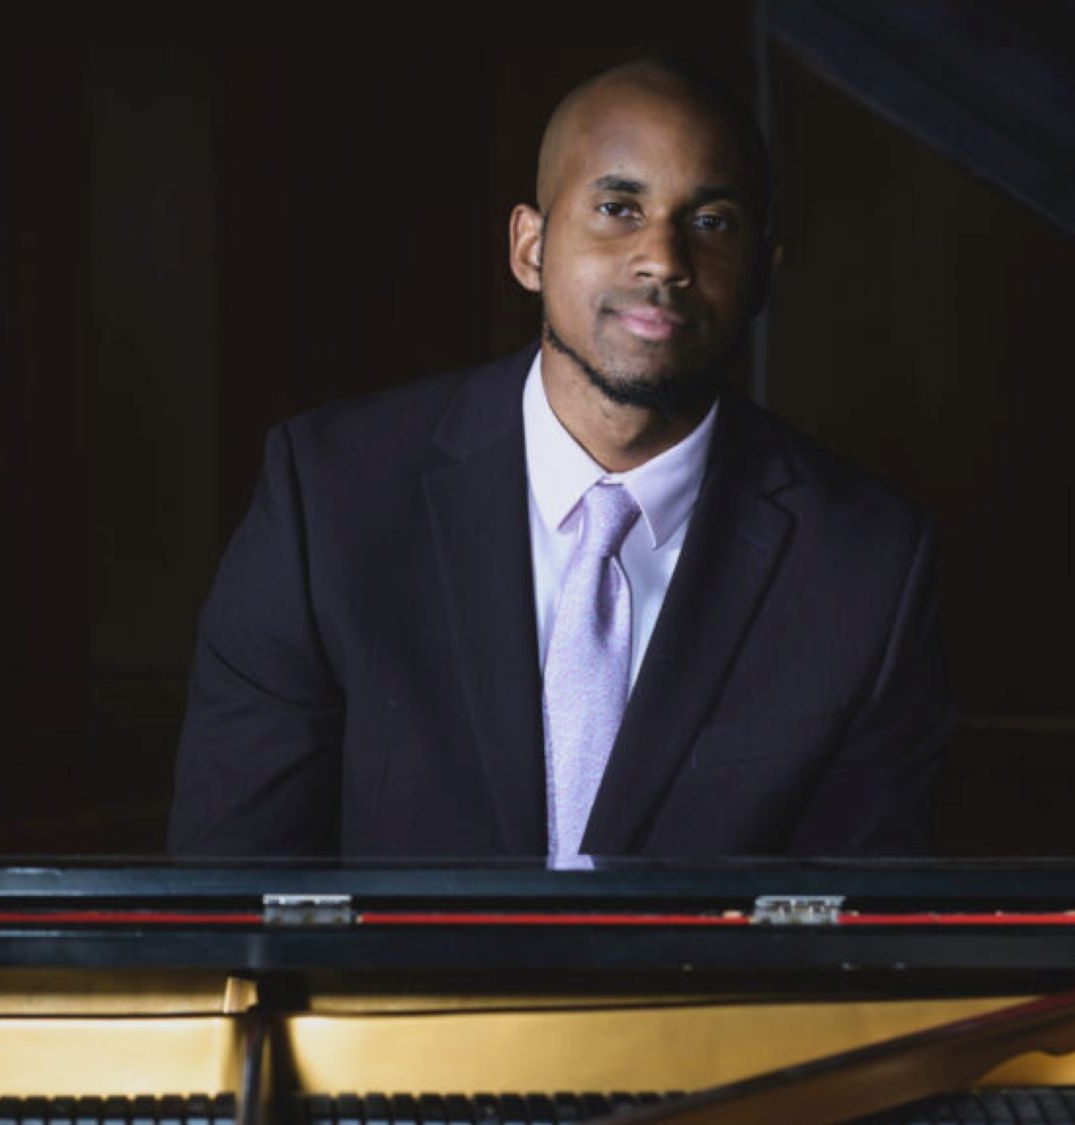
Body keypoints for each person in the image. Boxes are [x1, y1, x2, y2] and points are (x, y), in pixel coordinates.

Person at [167, 59, 953, 861]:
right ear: (531, 248)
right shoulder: (328, 500)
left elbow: (859, 939)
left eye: (712, 222)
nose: (662, 258)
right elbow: (229, 887)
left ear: (762, 272)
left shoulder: (867, 565)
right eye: (618, 208)